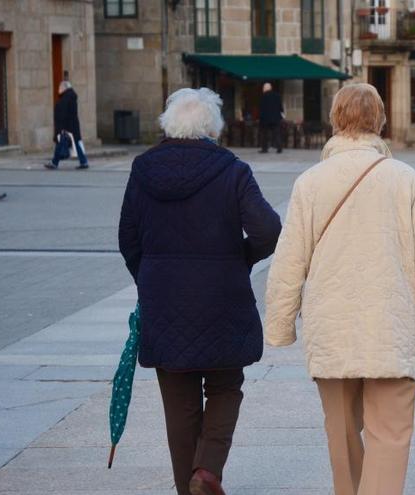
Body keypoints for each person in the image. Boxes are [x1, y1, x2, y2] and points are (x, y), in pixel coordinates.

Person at [265, 83, 415, 495]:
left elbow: (289, 260)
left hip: (331, 329)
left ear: (335, 121)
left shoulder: (310, 182)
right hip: (390, 325)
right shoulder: (404, 179)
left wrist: (280, 326)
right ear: (380, 122)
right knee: (390, 434)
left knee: (342, 433)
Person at [118, 87, 281, 495]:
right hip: (221, 300)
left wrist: (151, 277)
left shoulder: (143, 169)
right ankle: (206, 471)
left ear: (168, 124)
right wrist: (240, 258)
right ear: (212, 127)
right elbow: (268, 229)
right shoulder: (232, 170)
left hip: (164, 301)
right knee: (226, 386)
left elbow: (128, 238)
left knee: (180, 404)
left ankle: (188, 486)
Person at [44, 81, 88, 170]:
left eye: (60, 87)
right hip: (73, 125)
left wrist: (62, 127)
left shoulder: (66, 98)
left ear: (64, 88)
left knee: (62, 143)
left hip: (67, 126)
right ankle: (83, 161)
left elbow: (63, 113)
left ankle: (55, 162)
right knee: (76, 143)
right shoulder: (71, 96)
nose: (58, 89)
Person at [258, 82, 284, 154]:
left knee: (265, 134)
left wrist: (260, 118)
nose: (263, 89)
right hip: (276, 118)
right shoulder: (277, 95)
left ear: (266, 88)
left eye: (263, 87)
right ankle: (279, 148)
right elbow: (281, 107)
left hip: (265, 119)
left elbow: (261, 108)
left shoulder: (263, 97)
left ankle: (264, 148)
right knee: (277, 134)